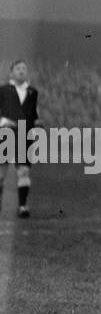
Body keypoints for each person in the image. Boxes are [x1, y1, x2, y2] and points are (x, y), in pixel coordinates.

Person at [0, 59, 40, 218]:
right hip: (5, 134)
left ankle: (22, 206)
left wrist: (37, 121)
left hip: (25, 135)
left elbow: (34, 112)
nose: (22, 70)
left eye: (24, 68)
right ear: (12, 72)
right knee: (1, 174)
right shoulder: (3, 90)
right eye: (18, 68)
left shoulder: (32, 92)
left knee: (23, 171)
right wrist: (2, 121)